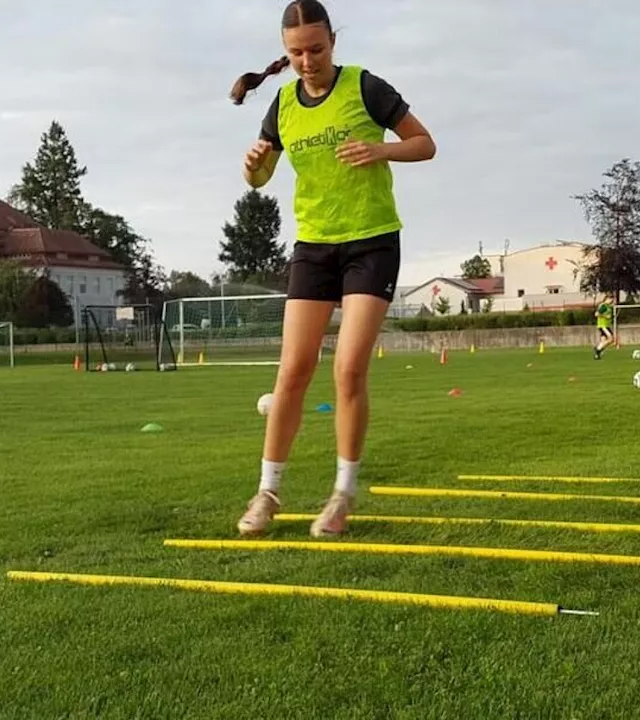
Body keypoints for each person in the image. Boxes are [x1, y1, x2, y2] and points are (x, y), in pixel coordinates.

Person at [230, 0, 436, 537]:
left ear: (333, 44)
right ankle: (268, 492)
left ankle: (343, 494)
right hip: (314, 247)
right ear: (285, 52)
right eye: (296, 52)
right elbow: (259, 179)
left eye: (316, 49)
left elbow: (425, 144)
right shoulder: (281, 106)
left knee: (348, 370)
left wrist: (380, 150)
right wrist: (253, 166)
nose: (307, 61)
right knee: (292, 371)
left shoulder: (365, 87)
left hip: (371, 243)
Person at [593, 295, 615, 359]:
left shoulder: (608, 306)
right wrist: (605, 316)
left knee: (603, 341)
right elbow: (596, 314)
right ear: (607, 299)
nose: (612, 301)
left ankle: (597, 355)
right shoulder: (604, 306)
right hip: (603, 325)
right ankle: (597, 349)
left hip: (606, 325)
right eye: (611, 299)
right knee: (611, 339)